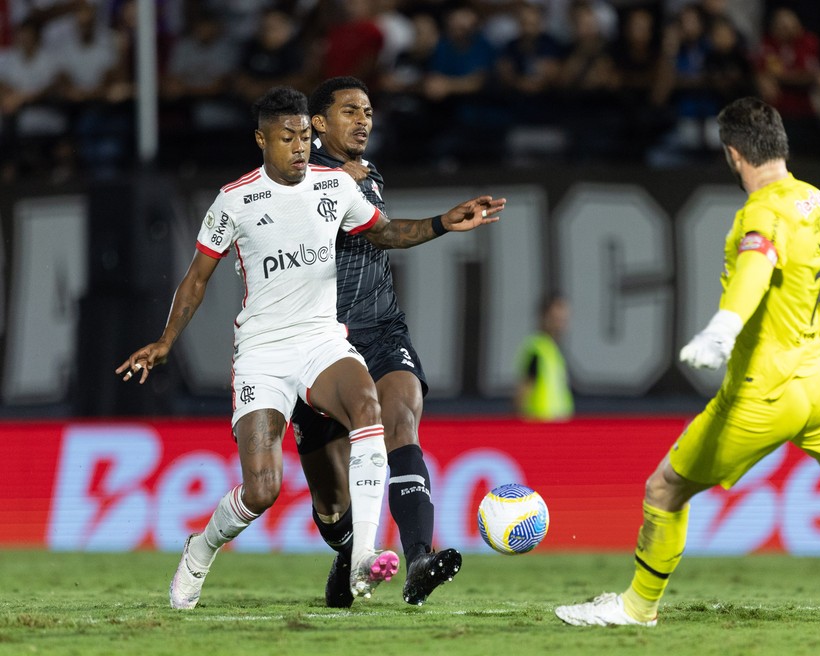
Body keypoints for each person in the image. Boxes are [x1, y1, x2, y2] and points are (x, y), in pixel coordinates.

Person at [554, 96, 820, 627]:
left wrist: (722, 329)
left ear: (734, 155)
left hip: (763, 391)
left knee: (664, 489)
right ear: (781, 144)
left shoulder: (760, 212)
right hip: (815, 383)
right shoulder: (818, 204)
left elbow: (756, 266)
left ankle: (637, 607)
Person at [115, 86, 505, 610]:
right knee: (262, 490)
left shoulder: (336, 186)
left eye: (303, 136)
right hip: (263, 351)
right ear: (262, 140)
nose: (299, 147)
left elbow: (386, 233)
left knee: (369, 407)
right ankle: (201, 548)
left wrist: (443, 223)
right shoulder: (234, 200)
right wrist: (165, 341)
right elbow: (196, 279)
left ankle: (366, 556)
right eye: (287, 138)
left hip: (322, 339)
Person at [290, 75, 498, 609]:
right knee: (332, 503)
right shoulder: (293, 179)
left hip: (381, 329)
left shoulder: (369, 173)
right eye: (350, 111)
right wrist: (331, 182)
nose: (363, 120)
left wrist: (443, 223)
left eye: (368, 111)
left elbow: (384, 233)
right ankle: (348, 553)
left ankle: (419, 559)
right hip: (317, 338)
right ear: (318, 123)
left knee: (401, 419)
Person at [514, 292, 574, 422]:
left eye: (563, 319)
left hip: (557, 424)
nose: (561, 324)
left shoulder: (553, 350)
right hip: (540, 424)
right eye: (556, 319)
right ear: (544, 317)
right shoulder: (537, 349)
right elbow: (523, 391)